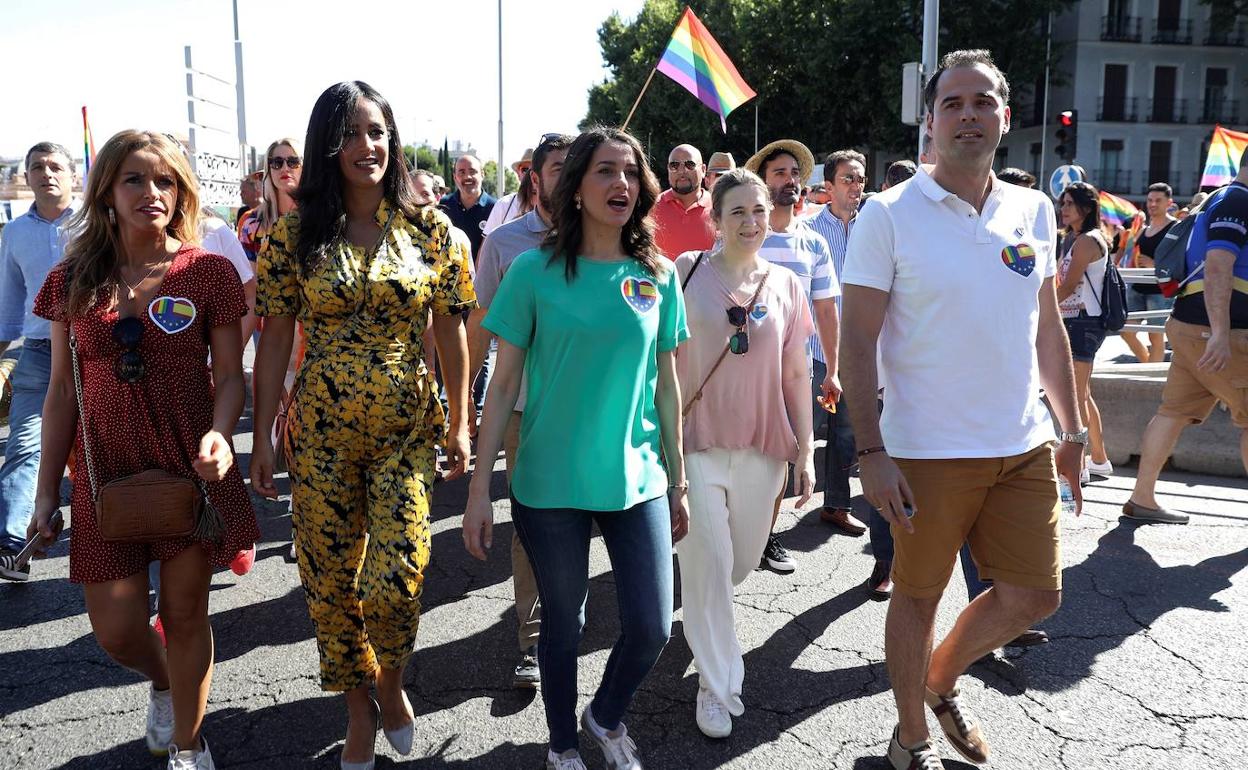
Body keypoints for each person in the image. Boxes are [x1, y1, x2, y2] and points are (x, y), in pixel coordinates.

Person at [840, 50, 1084, 769]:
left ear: (1005, 117)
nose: (968, 115)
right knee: (917, 597)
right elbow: (856, 340)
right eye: (953, 103)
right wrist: (870, 451)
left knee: (1035, 596)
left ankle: (940, 679)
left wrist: (1071, 429)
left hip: (1023, 444)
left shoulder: (1034, 209)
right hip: (925, 452)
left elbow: (1046, 327)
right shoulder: (888, 214)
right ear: (930, 121)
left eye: (983, 102)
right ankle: (910, 737)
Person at [251, 81, 475, 770]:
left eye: (376, 131)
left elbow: (452, 332)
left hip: (406, 430)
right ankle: (357, 709)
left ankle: (390, 680)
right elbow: (274, 339)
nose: (366, 146)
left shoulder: (433, 232)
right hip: (319, 434)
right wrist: (261, 438)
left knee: (397, 576)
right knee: (329, 582)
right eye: (349, 133)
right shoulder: (292, 236)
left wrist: (461, 423)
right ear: (327, 145)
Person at [26, 129, 259, 769]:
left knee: (185, 614)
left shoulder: (207, 272)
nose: (151, 192)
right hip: (104, 476)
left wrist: (222, 434)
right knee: (117, 631)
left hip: (190, 468)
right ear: (107, 192)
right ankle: (162, 680)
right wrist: (46, 493)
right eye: (134, 179)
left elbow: (230, 376)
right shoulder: (70, 280)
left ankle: (188, 743)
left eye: (165, 181)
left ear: (181, 193)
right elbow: (61, 393)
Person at [462, 126, 688, 770]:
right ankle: (562, 744)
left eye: (631, 172)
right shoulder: (531, 271)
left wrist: (679, 479)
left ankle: (605, 716)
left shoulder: (658, 273)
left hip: (637, 478)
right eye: (605, 171)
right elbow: (503, 386)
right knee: (565, 625)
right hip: (549, 482)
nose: (621, 183)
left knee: (652, 625)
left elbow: (666, 383)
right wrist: (478, 490)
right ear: (576, 189)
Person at [673, 168, 815, 739]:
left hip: (764, 445)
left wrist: (806, 450)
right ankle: (717, 684)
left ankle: (704, 616)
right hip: (695, 441)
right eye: (737, 212)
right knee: (708, 560)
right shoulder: (685, 272)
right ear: (715, 218)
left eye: (758, 210)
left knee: (740, 563)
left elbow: (797, 372)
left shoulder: (786, 283)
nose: (751, 222)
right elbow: (660, 358)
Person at [465, 132, 573, 689]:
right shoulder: (505, 244)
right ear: (535, 178)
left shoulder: (607, 238)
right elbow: (480, 323)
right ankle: (532, 642)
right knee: (531, 526)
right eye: (558, 168)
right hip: (523, 411)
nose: (569, 177)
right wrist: (461, 400)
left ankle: (571, 628)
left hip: (595, 415)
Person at [1123, 156, 1248, 524]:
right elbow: (1218, 266)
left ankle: (1142, 497)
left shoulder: (1216, 198)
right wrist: (1220, 333)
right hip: (1223, 334)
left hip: (1188, 326)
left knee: (1172, 412)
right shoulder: (1238, 201)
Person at [744, 139, 841, 574]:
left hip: (794, 372)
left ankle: (764, 536)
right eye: (779, 173)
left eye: (794, 174)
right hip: (741, 368)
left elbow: (826, 311)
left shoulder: (814, 244)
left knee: (783, 455)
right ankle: (733, 530)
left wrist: (833, 370)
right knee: (741, 452)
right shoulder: (747, 236)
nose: (789, 180)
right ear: (764, 182)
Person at [0, 142, 77, 581]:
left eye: (55, 166)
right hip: (38, 352)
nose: (46, 173)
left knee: (100, 447)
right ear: (26, 176)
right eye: (37, 167)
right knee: (24, 446)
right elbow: (9, 304)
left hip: (93, 350)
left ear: (72, 176)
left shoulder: (98, 223)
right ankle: (13, 547)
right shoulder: (14, 234)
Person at [808, 149, 869, 537]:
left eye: (861, 179)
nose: (856, 186)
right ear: (828, 186)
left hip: (856, 351)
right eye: (848, 179)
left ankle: (836, 505)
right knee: (799, 434)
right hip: (814, 351)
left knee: (845, 435)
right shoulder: (809, 230)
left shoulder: (875, 228)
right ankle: (763, 523)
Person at [1056, 182, 1112, 484]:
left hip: (1083, 322)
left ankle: (1078, 466)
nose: (1063, 209)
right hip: (1076, 320)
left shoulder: (1089, 240)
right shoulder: (1073, 238)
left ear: (1086, 208)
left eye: (1069, 203)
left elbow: (1067, 286)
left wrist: (1038, 310)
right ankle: (1099, 459)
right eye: (1062, 203)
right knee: (1083, 393)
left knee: (1076, 396)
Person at [1120, 183, 1178, 365]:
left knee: (1155, 336)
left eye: (1158, 200)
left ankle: (1153, 373)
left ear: (1169, 203)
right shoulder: (1144, 230)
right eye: (1150, 200)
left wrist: (1155, 265)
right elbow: (1130, 254)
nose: (1153, 204)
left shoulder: (1175, 227)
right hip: (1138, 286)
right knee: (1126, 331)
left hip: (1160, 290)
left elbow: (1180, 259)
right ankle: (1148, 366)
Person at [653, 144, 715, 258]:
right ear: (668, 169)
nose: (681, 171)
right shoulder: (650, 209)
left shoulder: (719, 208)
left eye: (689, 165)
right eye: (674, 165)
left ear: (703, 170)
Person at [439, 154, 496, 262]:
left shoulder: (495, 208)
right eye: (462, 172)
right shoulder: (443, 206)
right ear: (455, 177)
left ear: (482, 174)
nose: (467, 177)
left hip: (484, 272)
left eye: (472, 171)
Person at [483, 147, 536, 236]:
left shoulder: (555, 206)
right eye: (525, 170)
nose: (530, 175)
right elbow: (487, 243)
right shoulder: (503, 205)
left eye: (536, 169)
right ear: (518, 173)